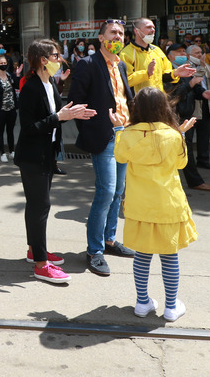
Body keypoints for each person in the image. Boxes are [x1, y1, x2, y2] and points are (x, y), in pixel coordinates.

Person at [112, 86, 198, 322]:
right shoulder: (172, 135)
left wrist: (118, 128)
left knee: (142, 255)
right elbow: (181, 164)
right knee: (169, 256)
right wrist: (180, 134)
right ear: (163, 106)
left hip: (140, 206)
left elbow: (119, 156)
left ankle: (142, 303)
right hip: (168, 204)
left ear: (136, 108)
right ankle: (171, 306)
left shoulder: (129, 134)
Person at [14, 39, 96, 284]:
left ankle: (35, 250)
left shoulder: (49, 84)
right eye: (56, 56)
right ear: (43, 60)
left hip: (46, 155)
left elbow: (54, 118)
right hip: (32, 157)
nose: (59, 59)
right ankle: (41, 264)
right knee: (40, 207)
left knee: (38, 207)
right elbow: (29, 128)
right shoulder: (31, 87)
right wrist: (58, 117)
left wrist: (69, 115)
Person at [67, 19, 136, 277]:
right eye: (113, 33)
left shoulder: (121, 64)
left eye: (121, 34)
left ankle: (109, 240)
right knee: (105, 192)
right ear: (100, 37)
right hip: (104, 136)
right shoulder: (87, 64)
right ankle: (94, 250)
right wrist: (91, 126)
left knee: (119, 191)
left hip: (124, 133)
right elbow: (75, 100)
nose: (117, 37)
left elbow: (125, 97)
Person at [164, 44, 210, 192]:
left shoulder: (186, 68)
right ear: (169, 55)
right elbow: (171, 93)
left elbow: (194, 87)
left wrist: (202, 93)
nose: (182, 54)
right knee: (184, 149)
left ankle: (189, 180)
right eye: (179, 52)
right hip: (174, 115)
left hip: (186, 113)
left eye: (183, 51)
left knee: (183, 149)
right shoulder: (168, 71)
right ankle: (194, 181)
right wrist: (191, 84)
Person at [120, 17, 195, 95]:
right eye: (148, 27)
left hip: (159, 100)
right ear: (136, 31)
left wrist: (176, 73)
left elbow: (164, 75)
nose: (153, 30)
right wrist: (146, 74)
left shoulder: (157, 50)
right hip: (139, 103)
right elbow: (125, 81)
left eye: (153, 27)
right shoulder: (126, 53)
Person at [186, 43, 210, 171]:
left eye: (201, 53)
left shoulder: (206, 66)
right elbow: (194, 82)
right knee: (188, 137)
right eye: (196, 53)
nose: (200, 55)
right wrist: (201, 66)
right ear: (188, 55)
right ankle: (187, 162)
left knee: (204, 135)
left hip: (206, 105)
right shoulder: (186, 66)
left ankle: (203, 159)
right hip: (192, 106)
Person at [0, 52, 18, 162]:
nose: (3, 64)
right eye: (1, 63)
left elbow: (17, 86)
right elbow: (0, 90)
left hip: (11, 108)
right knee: (0, 131)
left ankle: (12, 151)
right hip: (0, 109)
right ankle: (2, 153)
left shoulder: (10, 75)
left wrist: (17, 75)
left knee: (10, 131)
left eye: (5, 62)